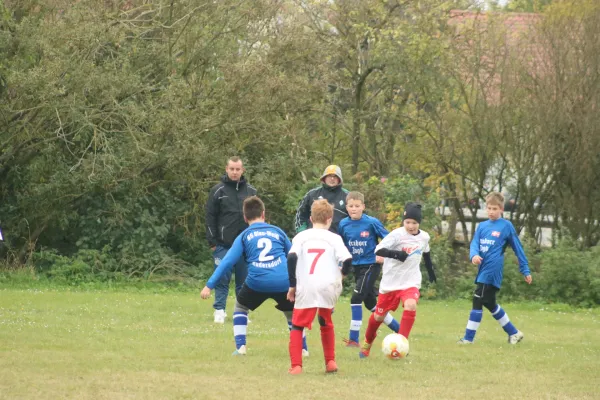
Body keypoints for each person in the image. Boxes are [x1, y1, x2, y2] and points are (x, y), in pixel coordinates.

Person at [200, 196, 308, 355]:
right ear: (264, 214)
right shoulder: (277, 231)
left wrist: (209, 285)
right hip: (282, 281)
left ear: (245, 217)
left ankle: (241, 348)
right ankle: (302, 349)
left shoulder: (244, 236)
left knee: (240, 307)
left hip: (257, 282)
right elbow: (294, 256)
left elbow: (227, 262)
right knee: (291, 312)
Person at [359, 202, 437, 358]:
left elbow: (426, 253)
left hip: (410, 282)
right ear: (403, 221)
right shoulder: (397, 235)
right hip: (390, 284)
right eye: (407, 222)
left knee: (411, 305)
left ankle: (402, 344)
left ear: (419, 223)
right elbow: (378, 250)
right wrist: (397, 254)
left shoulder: (424, 237)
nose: (410, 226)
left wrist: (430, 271)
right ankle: (367, 341)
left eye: (414, 223)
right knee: (378, 317)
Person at [287, 199, 353, 375]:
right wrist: (342, 275)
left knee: (297, 325)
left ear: (310, 218)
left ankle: (296, 366)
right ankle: (330, 362)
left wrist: (292, 285)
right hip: (328, 285)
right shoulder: (334, 238)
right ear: (330, 219)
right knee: (325, 321)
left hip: (307, 284)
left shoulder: (301, 236)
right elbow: (347, 260)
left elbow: (292, 258)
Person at [458, 191, 532, 345]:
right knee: (490, 303)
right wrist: (474, 256)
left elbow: (518, 248)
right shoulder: (482, 226)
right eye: (489, 208)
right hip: (482, 269)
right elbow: (474, 244)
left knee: (477, 299)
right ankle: (514, 333)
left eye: (494, 208)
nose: (491, 211)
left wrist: (525, 269)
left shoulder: (506, 226)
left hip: (492, 270)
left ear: (501, 209)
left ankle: (468, 339)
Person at [337, 191, 401, 347]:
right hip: (356, 267)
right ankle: (400, 330)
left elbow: (389, 239)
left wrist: (383, 254)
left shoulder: (371, 222)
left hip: (371, 265)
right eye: (351, 206)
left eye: (357, 206)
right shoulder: (343, 224)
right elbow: (341, 246)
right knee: (371, 304)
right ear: (346, 207)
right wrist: (341, 266)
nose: (354, 209)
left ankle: (353, 339)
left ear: (363, 207)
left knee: (355, 299)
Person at [205, 156, 257, 323]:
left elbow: (258, 217)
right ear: (226, 169)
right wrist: (212, 242)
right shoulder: (217, 191)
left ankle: (242, 313)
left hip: (245, 245)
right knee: (222, 278)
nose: (235, 172)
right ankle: (219, 310)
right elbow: (210, 217)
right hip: (223, 245)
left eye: (238, 169)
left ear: (242, 170)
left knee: (244, 281)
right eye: (232, 169)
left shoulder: (251, 191)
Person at [294, 165, 349, 234]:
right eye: (329, 176)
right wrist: (302, 232)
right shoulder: (312, 194)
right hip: (313, 238)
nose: (332, 178)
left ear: (339, 179)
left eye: (335, 176)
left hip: (339, 239)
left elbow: (355, 218)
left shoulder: (347, 196)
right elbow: (300, 215)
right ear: (324, 178)